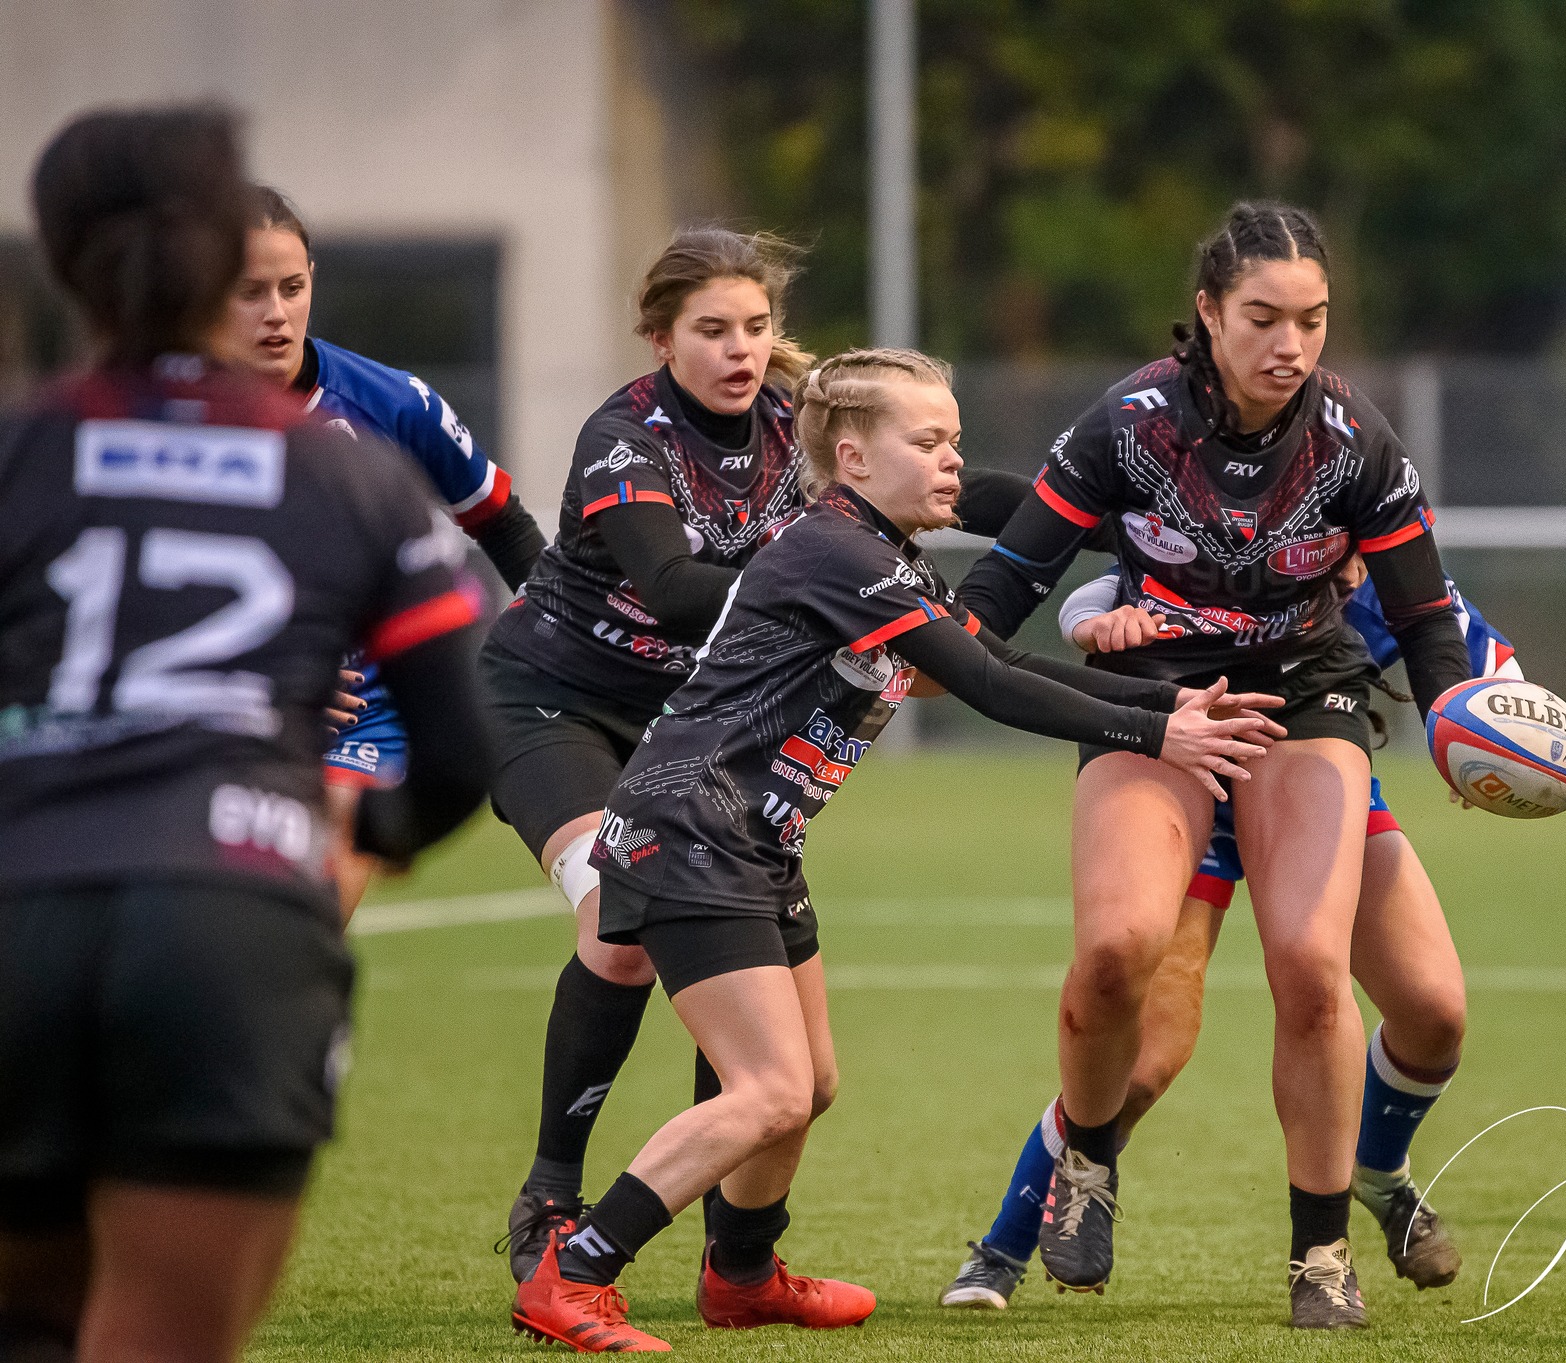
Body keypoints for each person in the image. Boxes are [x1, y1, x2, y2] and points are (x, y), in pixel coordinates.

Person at [507, 348, 1281, 1350]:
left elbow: (993, 656)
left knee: (810, 1084)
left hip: (751, 839)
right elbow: (990, 688)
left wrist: (1167, 698)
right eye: (928, 441)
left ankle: (739, 1275)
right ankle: (574, 1270)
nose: (953, 461)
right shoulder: (839, 553)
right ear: (853, 455)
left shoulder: (878, 554)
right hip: (690, 830)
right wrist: (1155, 733)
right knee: (770, 1088)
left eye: (954, 439)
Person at [0, 105, 493, 1363]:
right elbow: (459, 754)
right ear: (225, 265)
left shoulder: (19, 453)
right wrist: (356, 815)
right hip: (228, 921)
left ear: (62, 260)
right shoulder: (342, 472)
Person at [483, 229, 1041, 1286]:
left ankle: (735, 1264)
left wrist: (1104, 518)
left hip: (692, 722)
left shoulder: (802, 422)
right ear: (658, 337)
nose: (740, 350)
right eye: (710, 331)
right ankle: (552, 1194)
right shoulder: (626, 438)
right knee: (617, 918)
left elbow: (974, 494)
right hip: (554, 698)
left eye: (755, 327)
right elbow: (670, 588)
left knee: (739, 965)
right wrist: (845, 591)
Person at [955, 201, 1472, 1328]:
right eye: (1262, 318)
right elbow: (1001, 587)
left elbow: (1428, 621)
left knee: (1310, 969)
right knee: (1114, 956)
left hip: (1302, 705)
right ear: (1206, 313)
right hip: (1157, 710)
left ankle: (1321, 1258)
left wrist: (1458, 725)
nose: (1289, 345)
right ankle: (1083, 1166)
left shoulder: (1354, 443)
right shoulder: (1129, 424)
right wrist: (910, 646)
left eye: (1312, 320)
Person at [940, 564, 1517, 1310]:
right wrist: (1089, 620)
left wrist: (1484, 743)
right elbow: (1104, 592)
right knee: (1143, 1060)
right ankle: (1004, 1248)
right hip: (1197, 786)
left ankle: (1376, 1168)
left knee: (1435, 1009)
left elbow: (1496, 674)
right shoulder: (1234, 538)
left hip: (1319, 784)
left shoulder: (1386, 575)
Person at [206, 186, 546, 916]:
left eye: (292, 288)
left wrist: (565, 651)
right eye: (249, 292)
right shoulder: (167, 426)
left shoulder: (393, 405)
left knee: (304, 910)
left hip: (362, 723)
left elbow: (505, 525)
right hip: (218, 715)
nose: (276, 313)